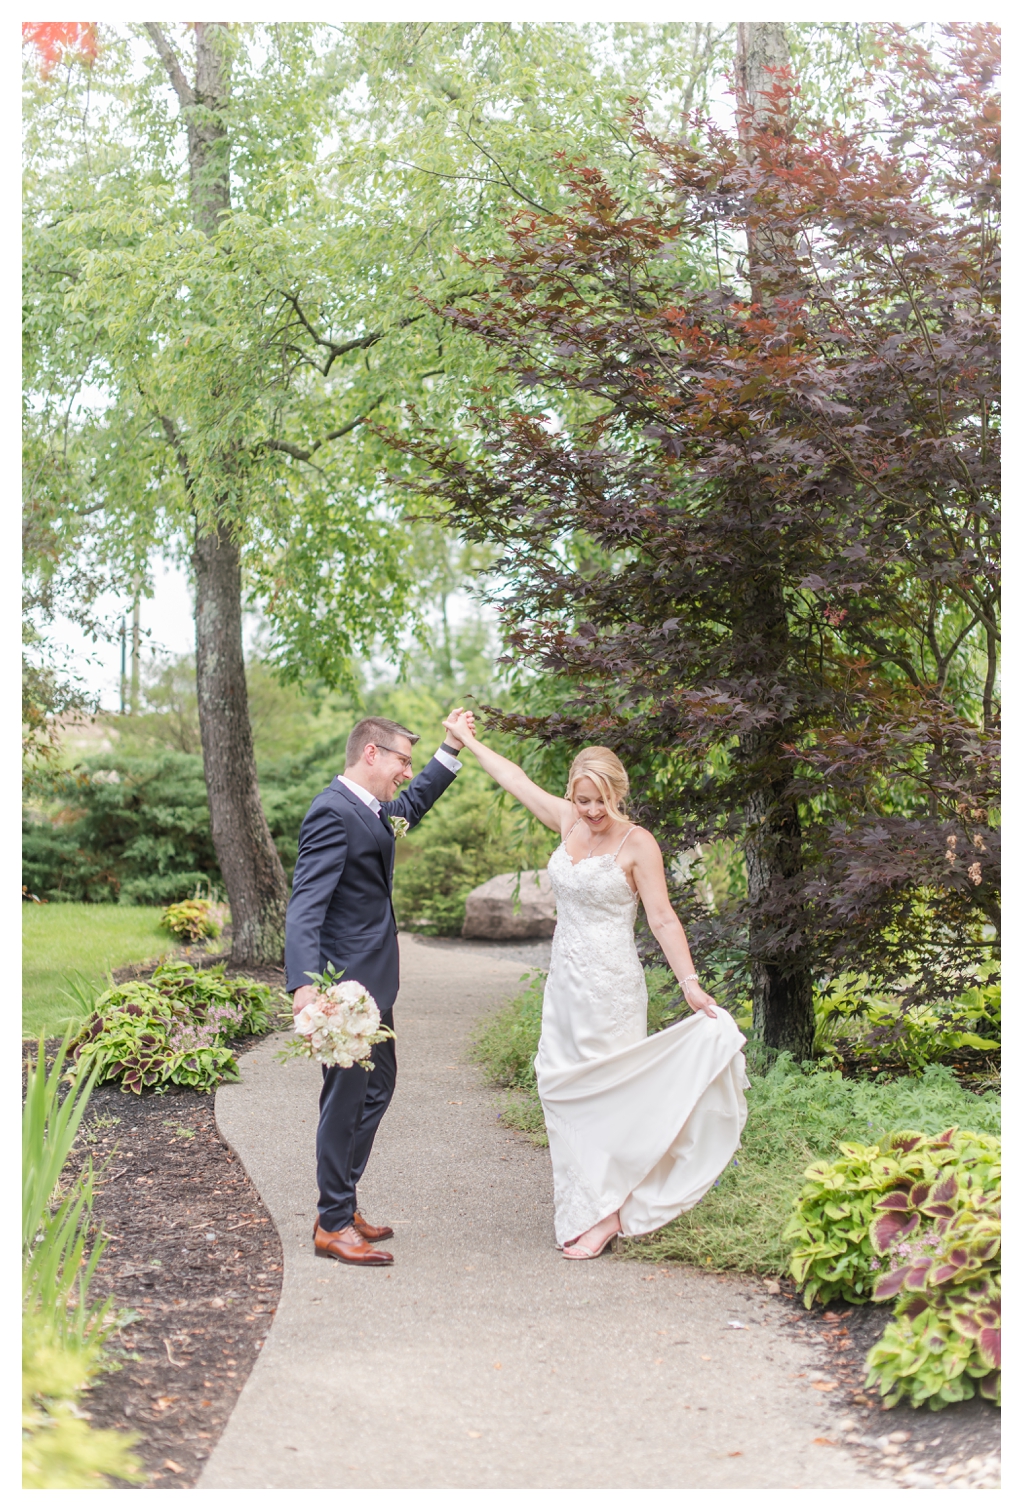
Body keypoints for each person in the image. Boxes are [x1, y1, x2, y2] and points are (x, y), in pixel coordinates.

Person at [442, 714, 749, 1260]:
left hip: (610, 985)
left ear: (617, 793)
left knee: (606, 1094)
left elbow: (662, 918)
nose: (589, 811)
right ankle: (589, 1204)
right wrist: (469, 742)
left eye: (598, 801)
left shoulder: (638, 843)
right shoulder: (567, 823)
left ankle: (603, 1217)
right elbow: (514, 780)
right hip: (565, 984)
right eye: (581, 800)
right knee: (558, 1088)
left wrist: (691, 984)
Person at [285, 713, 473, 1267]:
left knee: (377, 1088)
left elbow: (409, 809)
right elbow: (305, 906)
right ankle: (333, 1224)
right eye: (401, 761)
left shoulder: (371, 810)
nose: (405, 774)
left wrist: (450, 750)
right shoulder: (330, 811)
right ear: (371, 753)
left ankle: (340, 1204)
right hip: (344, 989)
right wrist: (302, 986)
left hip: (373, 986)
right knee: (345, 1099)